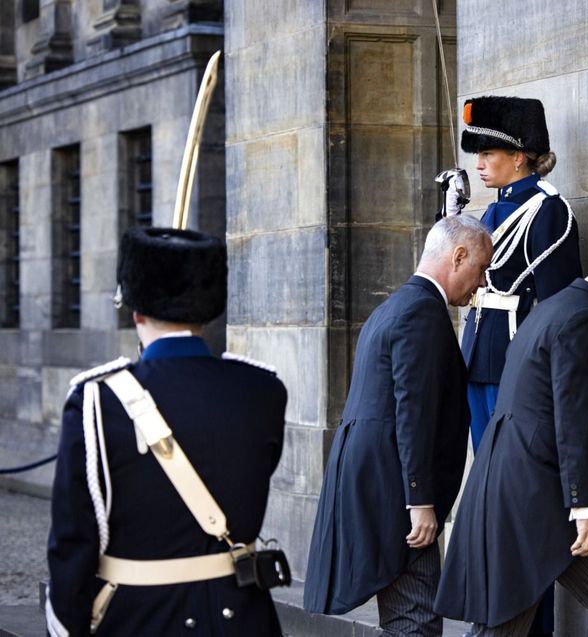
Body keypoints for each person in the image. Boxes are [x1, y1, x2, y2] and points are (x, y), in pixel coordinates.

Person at [46, 227, 288, 636]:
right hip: (244, 620)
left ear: (136, 310)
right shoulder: (263, 390)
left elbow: (74, 545)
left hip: (140, 621)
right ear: (209, 311)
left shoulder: (97, 401)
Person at [435, 236, 588, 637]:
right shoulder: (585, 317)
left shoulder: (557, 307)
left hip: (513, 487)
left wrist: (574, 437)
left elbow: (543, 397)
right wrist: (585, 509)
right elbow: (571, 419)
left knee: (508, 624)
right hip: (540, 497)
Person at [303, 215, 492, 636]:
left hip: (381, 487)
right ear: (458, 256)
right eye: (480, 269)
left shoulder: (397, 306)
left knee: (410, 620)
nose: (481, 283)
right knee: (416, 622)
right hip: (398, 494)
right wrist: (419, 501)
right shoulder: (421, 313)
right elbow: (414, 413)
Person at [455, 95, 583, 636]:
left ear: (521, 154)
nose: (479, 162)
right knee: (490, 506)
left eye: (489, 151)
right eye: (478, 152)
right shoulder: (491, 211)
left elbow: (559, 317)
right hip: (481, 369)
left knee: (523, 512)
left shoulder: (548, 210)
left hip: (516, 377)